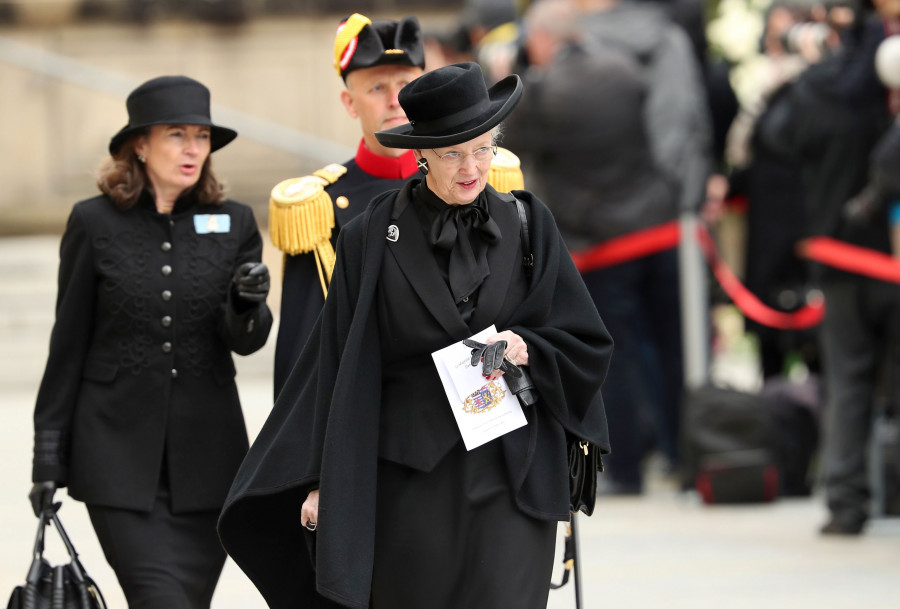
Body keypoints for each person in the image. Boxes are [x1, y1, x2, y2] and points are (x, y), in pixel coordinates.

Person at [218, 62, 612, 609]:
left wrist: (528, 348)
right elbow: (338, 361)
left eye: (482, 148)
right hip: (410, 483)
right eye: (452, 153)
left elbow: (584, 341)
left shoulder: (529, 223)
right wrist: (320, 479)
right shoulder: (370, 235)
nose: (471, 167)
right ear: (423, 153)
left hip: (513, 476)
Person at [28, 75, 273, 608]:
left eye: (202, 137)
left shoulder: (235, 223)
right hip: (115, 462)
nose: (193, 149)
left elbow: (246, 342)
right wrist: (47, 461)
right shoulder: (92, 223)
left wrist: (247, 305)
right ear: (139, 144)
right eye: (177, 135)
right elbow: (66, 345)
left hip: (209, 467)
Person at [270, 13, 523, 398]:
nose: (394, 100)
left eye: (405, 84)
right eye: (376, 88)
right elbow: (305, 351)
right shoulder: (319, 205)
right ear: (349, 102)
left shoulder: (481, 176)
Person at [505, 0, 680, 493]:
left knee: (614, 358)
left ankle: (626, 468)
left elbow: (511, 143)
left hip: (602, 242)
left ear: (541, 40)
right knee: (669, 347)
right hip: (658, 226)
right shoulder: (625, 69)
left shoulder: (543, 93)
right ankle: (678, 452)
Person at [760, 0, 900, 534]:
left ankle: (846, 504)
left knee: (847, 381)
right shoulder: (882, 92)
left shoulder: (819, 87)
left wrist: (805, 71)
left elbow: (774, 139)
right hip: (884, 253)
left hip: (839, 257)